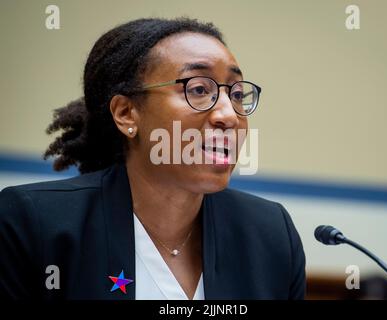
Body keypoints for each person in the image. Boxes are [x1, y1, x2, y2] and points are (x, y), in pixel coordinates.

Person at [0, 17, 305, 300]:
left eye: (236, 94)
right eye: (198, 89)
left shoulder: (270, 235)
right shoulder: (34, 223)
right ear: (126, 113)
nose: (228, 114)